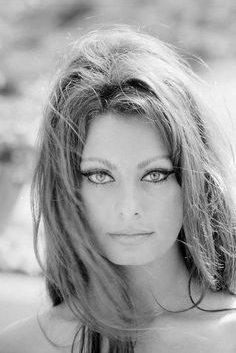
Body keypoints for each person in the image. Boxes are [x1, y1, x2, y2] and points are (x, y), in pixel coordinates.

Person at [1, 24, 236, 353]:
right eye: (99, 175)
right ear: (67, 186)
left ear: (193, 180)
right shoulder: (21, 346)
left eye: (155, 174)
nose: (129, 207)